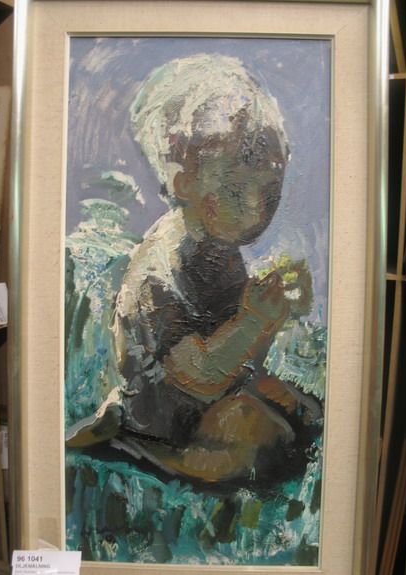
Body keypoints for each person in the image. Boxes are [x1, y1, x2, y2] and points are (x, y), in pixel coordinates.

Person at [67, 54, 321, 484]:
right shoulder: (158, 274)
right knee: (254, 434)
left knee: (301, 410)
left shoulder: (219, 248)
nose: (257, 211)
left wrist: (276, 313)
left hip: (213, 396)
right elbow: (197, 375)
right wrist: (255, 321)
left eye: (270, 192)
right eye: (236, 191)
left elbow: (235, 353)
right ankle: (139, 449)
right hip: (164, 413)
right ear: (183, 181)